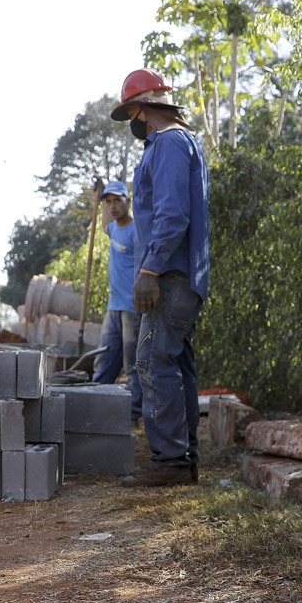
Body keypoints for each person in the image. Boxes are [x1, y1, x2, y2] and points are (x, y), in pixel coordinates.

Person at [110, 68, 208, 487]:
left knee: (151, 361)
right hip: (185, 274)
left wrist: (149, 270)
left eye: (132, 111)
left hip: (170, 274)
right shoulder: (184, 141)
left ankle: (169, 462)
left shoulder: (167, 144)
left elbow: (172, 215)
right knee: (175, 362)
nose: (133, 121)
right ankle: (183, 459)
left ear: (144, 110)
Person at [90, 179, 141, 417]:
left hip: (133, 308)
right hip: (114, 307)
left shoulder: (137, 231)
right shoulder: (113, 229)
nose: (112, 207)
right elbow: (105, 223)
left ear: (128, 202)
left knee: (133, 365)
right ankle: (97, 408)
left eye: (117, 201)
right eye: (108, 202)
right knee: (104, 359)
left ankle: (134, 413)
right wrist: (100, 194)